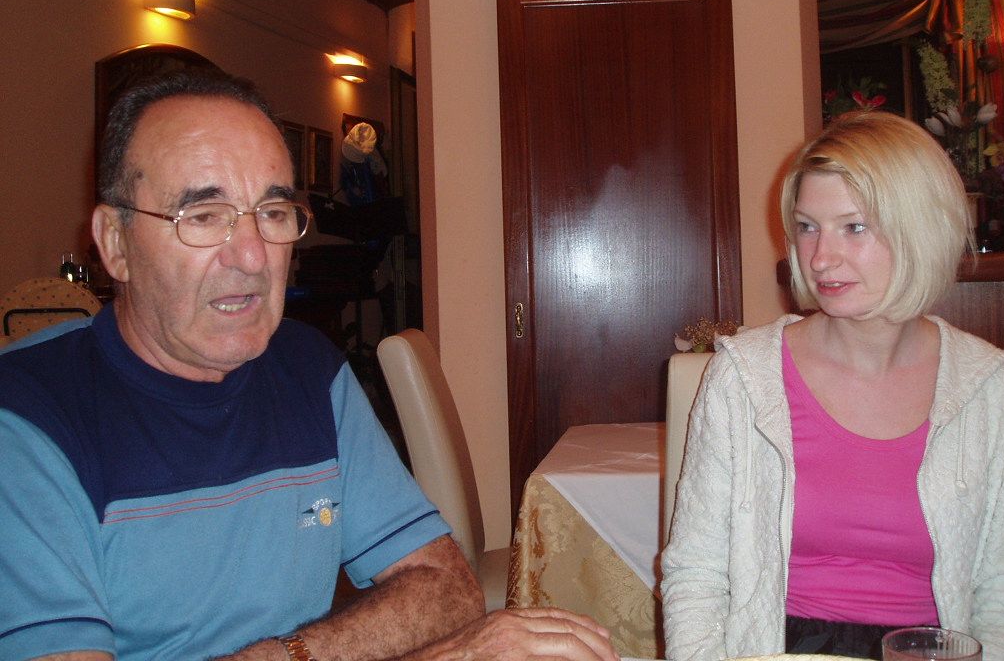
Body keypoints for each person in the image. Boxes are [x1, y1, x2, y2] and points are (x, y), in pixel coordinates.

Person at [0, 70, 619, 661]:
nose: (252, 256)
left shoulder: (308, 370)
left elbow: (445, 585)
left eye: (272, 213)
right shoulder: (27, 418)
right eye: (204, 216)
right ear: (114, 243)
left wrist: (295, 653)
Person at [661, 110, 1004, 661]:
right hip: (775, 650)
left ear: (921, 230)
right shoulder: (744, 378)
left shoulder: (993, 394)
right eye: (807, 227)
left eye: (854, 227)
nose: (820, 257)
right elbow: (697, 574)